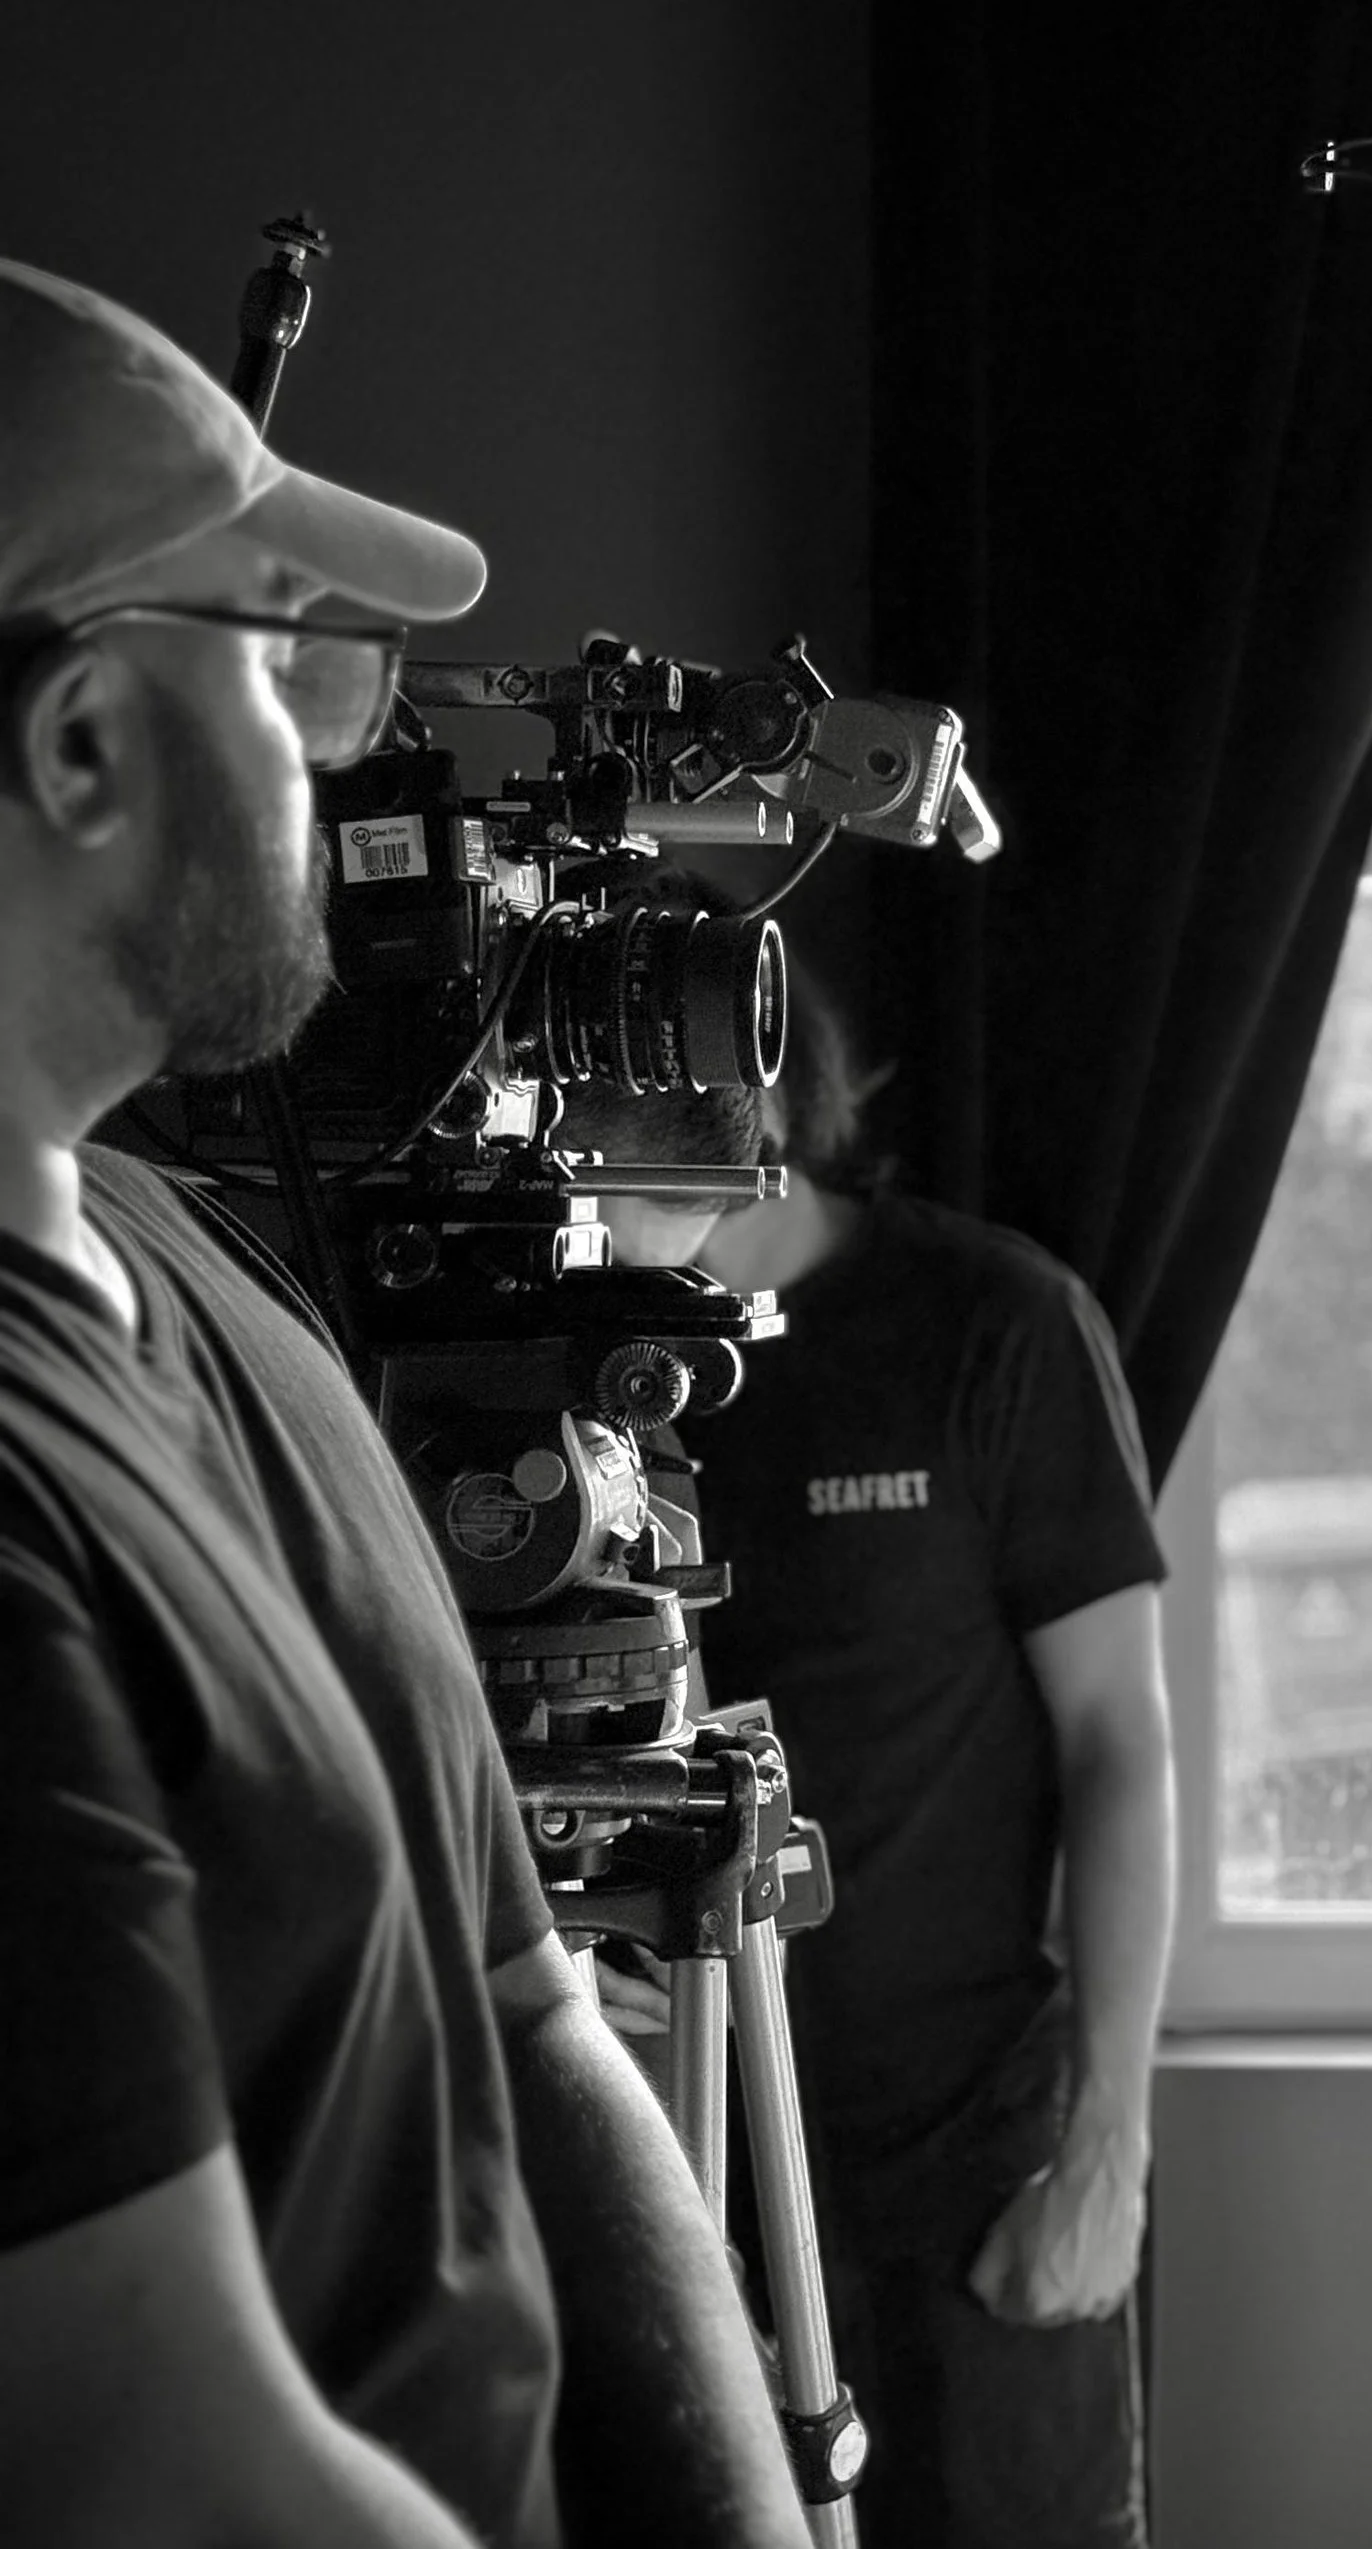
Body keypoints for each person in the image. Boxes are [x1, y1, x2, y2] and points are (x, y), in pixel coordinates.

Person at [0, 257, 810, 2546]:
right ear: (79, 747)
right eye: (284, 665)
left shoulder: (208, 1289)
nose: (337, 754)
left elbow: (529, 2017)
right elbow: (159, 2465)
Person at [562, 927, 1176, 2549]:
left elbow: (1121, 1741)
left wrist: (1106, 2155)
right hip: (673, 2142)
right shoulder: (565, 1384)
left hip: (973, 2143)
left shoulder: (993, 1323)